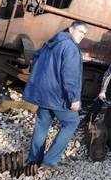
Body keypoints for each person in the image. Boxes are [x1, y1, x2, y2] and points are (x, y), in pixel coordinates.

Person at [23, 21, 88, 168]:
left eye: (84, 34)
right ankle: (51, 159)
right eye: (80, 31)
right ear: (71, 29)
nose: (82, 36)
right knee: (72, 122)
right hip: (58, 96)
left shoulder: (52, 42)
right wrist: (74, 98)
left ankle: (34, 158)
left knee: (41, 125)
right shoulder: (70, 47)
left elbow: (36, 58)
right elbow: (70, 76)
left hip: (44, 94)